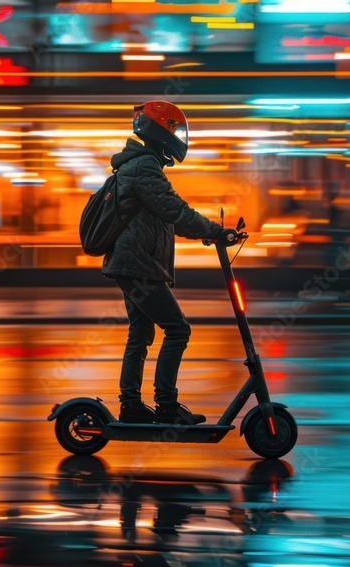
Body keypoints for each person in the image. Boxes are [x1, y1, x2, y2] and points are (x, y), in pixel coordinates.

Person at [102, 101, 226, 425]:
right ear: (161, 132)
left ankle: (131, 405)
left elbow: (171, 219)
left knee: (141, 332)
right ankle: (166, 406)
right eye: (174, 130)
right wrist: (214, 229)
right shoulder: (144, 167)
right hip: (138, 264)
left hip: (134, 263)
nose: (178, 137)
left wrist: (210, 234)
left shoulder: (142, 165)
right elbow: (174, 209)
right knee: (177, 329)